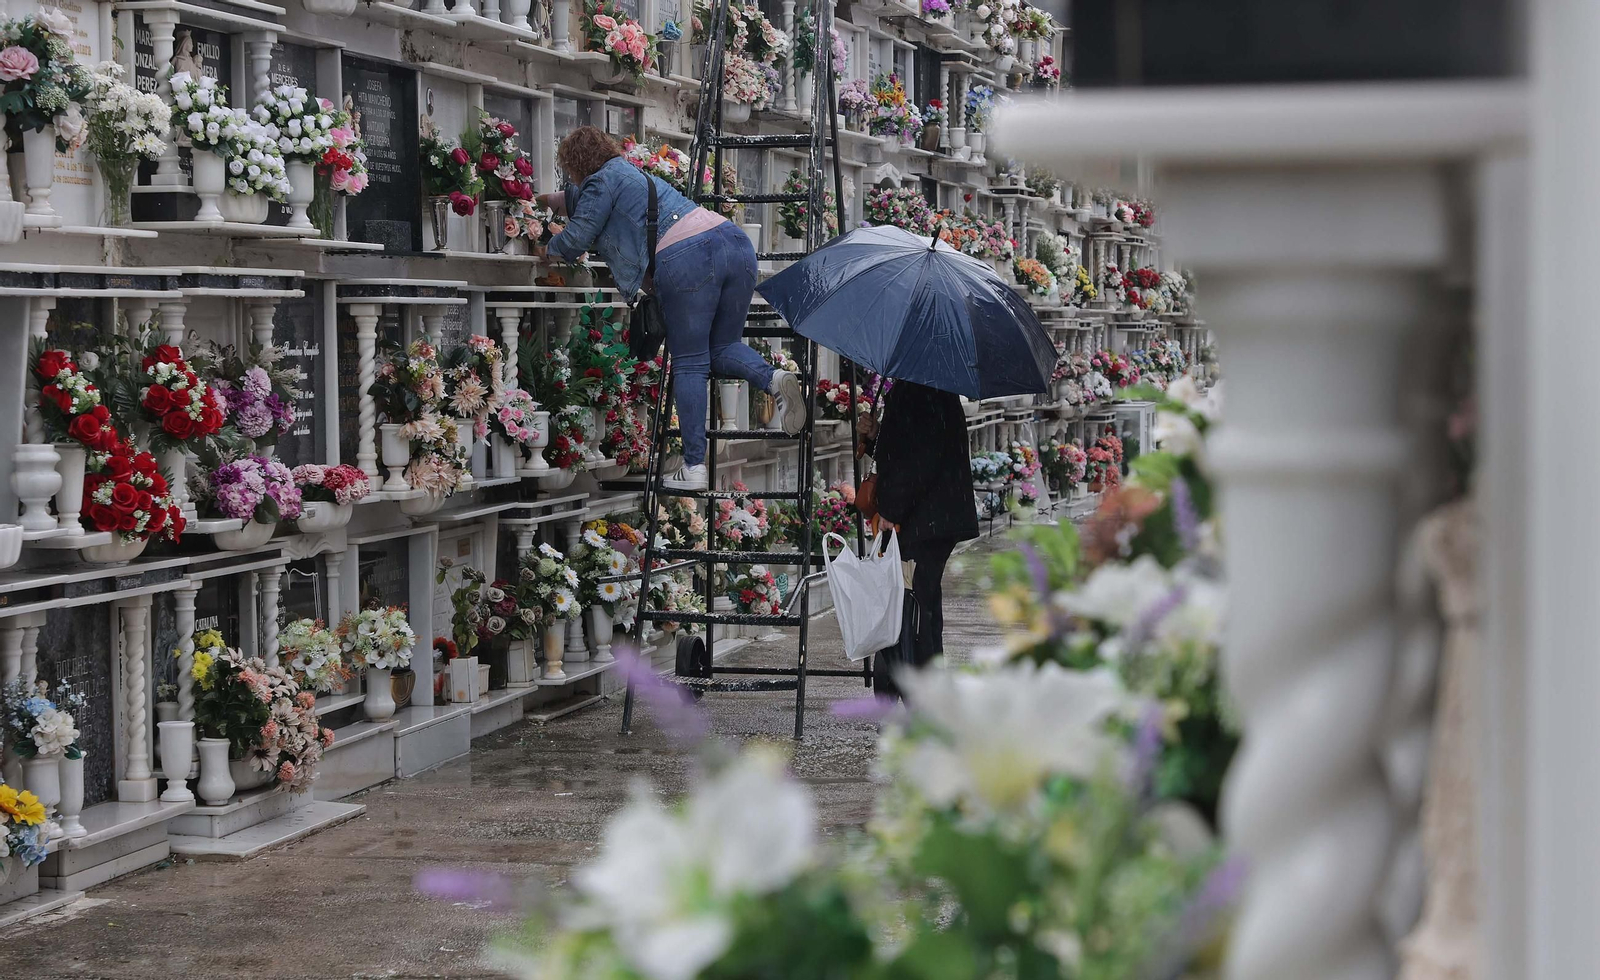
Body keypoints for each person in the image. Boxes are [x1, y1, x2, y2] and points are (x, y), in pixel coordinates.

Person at [538, 126, 804, 490]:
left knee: (690, 362)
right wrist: (546, 201)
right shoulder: (629, 174)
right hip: (735, 244)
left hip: (689, 256)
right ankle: (773, 379)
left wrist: (545, 250)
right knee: (721, 347)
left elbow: (578, 235)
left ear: (577, 162)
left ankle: (694, 466)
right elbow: (578, 199)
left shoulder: (601, 181)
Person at [861, 379, 979, 696]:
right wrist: (874, 437)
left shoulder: (920, 388)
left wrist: (892, 510)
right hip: (933, 517)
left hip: (924, 520)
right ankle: (927, 685)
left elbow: (917, 459)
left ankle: (923, 689)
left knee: (916, 605)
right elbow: (904, 449)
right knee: (922, 602)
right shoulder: (930, 386)